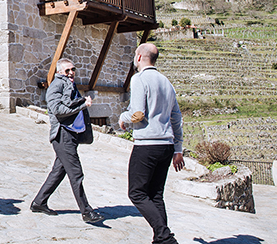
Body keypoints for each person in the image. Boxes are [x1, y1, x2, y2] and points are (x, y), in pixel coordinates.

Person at [118, 43, 184, 244]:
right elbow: (177, 118)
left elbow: (138, 114)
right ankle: (160, 240)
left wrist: (123, 117)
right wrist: (178, 149)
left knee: (136, 193)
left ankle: (165, 236)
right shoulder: (166, 82)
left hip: (147, 144)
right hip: (167, 145)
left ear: (139, 57)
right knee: (156, 195)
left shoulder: (139, 79)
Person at [30, 58, 104, 224]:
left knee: (58, 171)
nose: (71, 73)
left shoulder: (69, 84)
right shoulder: (57, 85)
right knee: (76, 173)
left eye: (73, 69)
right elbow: (57, 110)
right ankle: (87, 212)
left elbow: (70, 104)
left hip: (71, 135)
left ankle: (39, 202)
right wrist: (83, 104)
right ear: (59, 73)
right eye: (67, 70)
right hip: (62, 135)